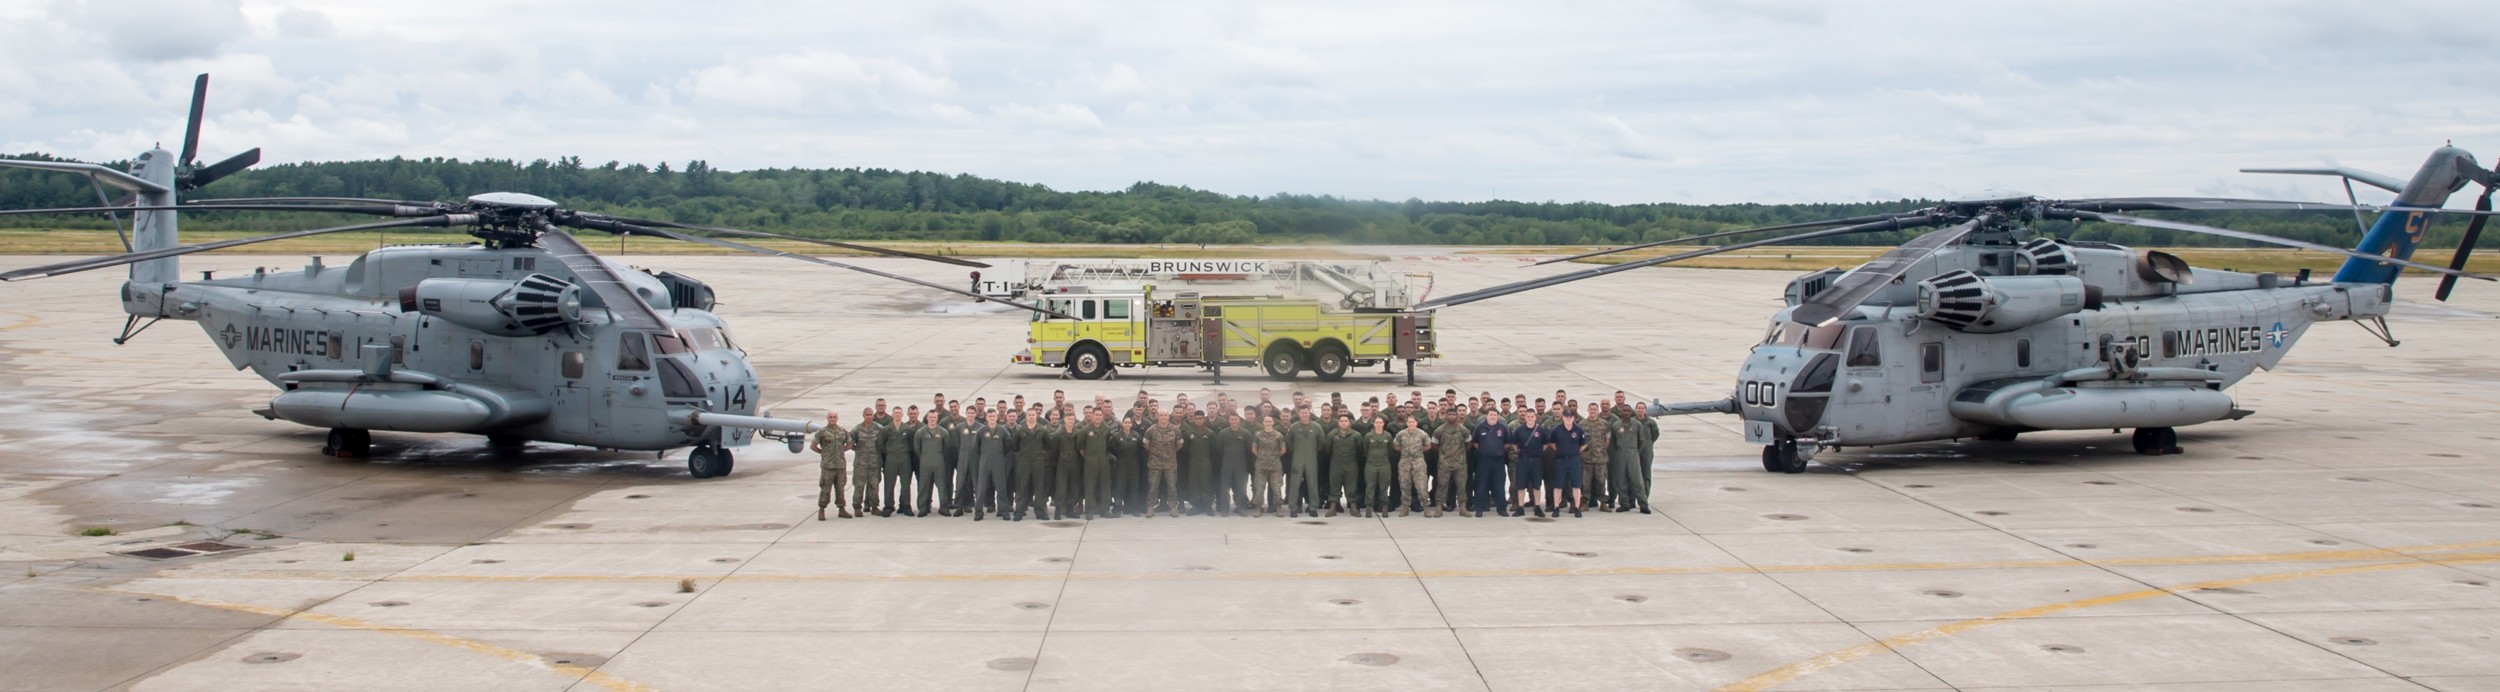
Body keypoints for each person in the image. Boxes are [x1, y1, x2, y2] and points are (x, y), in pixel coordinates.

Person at [809, 411, 853, 520]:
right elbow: (813, 446)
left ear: (837, 418)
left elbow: (850, 443)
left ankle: (841, 509)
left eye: (834, 417)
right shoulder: (822, 432)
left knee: (840, 488)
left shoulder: (842, 431)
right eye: (830, 417)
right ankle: (822, 509)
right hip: (828, 466)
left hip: (840, 466)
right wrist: (823, 453)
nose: (832, 419)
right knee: (825, 489)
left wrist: (842, 451)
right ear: (827, 418)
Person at [1285, 408, 1325, 517]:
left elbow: (1321, 442)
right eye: (1302, 413)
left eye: (1306, 412)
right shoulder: (1294, 427)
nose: (1304, 414)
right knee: (1294, 483)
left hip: (1311, 459)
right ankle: (1293, 507)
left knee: (1312, 483)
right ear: (1299, 414)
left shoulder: (1316, 427)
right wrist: (1296, 450)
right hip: (1297, 459)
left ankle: (1313, 507)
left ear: (1309, 413)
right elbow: (1288, 441)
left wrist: (1313, 451)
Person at [1508, 409, 1548, 517]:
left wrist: (1537, 452)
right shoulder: (1519, 430)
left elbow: (1545, 444)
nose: (1530, 418)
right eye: (1528, 417)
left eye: (1532, 416)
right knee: (1520, 485)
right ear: (1525, 418)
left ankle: (1537, 507)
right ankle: (1520, 507)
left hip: (1536, 460)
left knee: (1536, 485)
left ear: (1535, 417)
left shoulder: (1540, 430)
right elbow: (1514, 444)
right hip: (1523, 460)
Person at [1469, 409, 1509, 517]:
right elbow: (1475, 443)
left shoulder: (1503, 428)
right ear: (1486, 416)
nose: (1493, 416)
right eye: (1491, 415)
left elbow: (1507, 443)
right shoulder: (1480, 427)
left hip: (1498, 461)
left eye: (1495, 415)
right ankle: (1479, 509)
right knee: (1481, 485)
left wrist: (1497, 451)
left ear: (1498, 416)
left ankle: (1502, 509)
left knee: (1499, 485)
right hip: (1483, 461)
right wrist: (1484, 451)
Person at [1144, 409, 1183, 518]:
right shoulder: (1151, 430)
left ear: (1168, 417)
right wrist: (1155, 452)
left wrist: (1170, 453)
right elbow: (1146, 444)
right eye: (1161, 415)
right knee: (1153, 486)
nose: (1163, 417)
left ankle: (1173, 507)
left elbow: (1180, 444)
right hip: (1154, 463)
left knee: (1171, 485)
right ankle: (1150, 507)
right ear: (1158, 416)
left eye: (1165, 415)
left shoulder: (1175, 430)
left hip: (1170, 463)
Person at [1393, 415, 1435, 517]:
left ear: (1416, 423)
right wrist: (1403, 452)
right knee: (1405, 485)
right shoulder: (1401, 434)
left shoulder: (1422, 434)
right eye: (1409, 422)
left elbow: (1428, 445)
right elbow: (1395, 445)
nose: (1411, 424)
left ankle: (1426, 507)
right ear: (1407, 423)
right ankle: (1405, 507)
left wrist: (1420, 451)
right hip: (1405, 462)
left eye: (1413, 422)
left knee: (1421, 486)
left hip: (1418, 462)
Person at [1431, 407, 1471, 514]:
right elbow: (1433, 444)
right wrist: (1443, 452)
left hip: (1460, 463)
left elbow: (1469, 443)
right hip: (1445, 462)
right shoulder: (1439, 430)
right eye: (1450, 415)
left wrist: (1460, 453)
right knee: (1442, 484)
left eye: (1454, 415)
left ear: (1456, 416)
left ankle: (1463, 507)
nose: (1452, 416)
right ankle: (1439, 507)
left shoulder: (1463, 430)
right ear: (1446, 416)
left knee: (1462, 485)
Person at [880, 405, 917, 517]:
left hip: (904, 458)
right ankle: (888, 506)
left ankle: (905, 506)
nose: (897, 414)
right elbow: (880, 444)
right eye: (895, 413)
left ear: (902, 414)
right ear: (892, 414)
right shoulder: (886, 429)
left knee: (906, 484)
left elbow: (912, 445)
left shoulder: (908, 429)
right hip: (891, 459)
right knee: (889, 484)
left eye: (899, 413)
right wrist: (887, 453)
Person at [1325, 414, 1364, 517]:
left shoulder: (1356, 435)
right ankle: (1333, 508)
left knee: (1352, 486)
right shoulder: (1332, 435)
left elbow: (1360, 450)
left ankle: (1353, 507)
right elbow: (1327, 450)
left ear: (1349, 423)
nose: (1343, 423)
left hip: (1351, 465)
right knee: (1334, 486)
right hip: (1336, 465)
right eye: (1341, 421)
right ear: (1338, 423)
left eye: (1346, 421)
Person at [1553, 409, 1589, 518]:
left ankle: (1577, 508)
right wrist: (1560, 451)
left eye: (1570, 416)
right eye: (1566, 416)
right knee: (1558, 485)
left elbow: (1584, 444)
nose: (1568, 418)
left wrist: (1575, 452)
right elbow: (1552, 443)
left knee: (1576, 485)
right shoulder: (1557, 430)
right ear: (1563, 417)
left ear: (1573, 417)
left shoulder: (1578, 430)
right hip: (1561, 460)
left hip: (1574, 460)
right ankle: (1556, 507)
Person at [849, 407, 885, 517]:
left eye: (870, 414)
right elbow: (850, 443)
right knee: (859, 486)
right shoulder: (857, 429)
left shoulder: (879, 428)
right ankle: (857, 507)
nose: (869, 417)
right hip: (861, 464)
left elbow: (883, 442)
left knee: (874, 486)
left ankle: (874, 506)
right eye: (867, 415)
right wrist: (859, 451)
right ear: (863, 415)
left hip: (874, 463)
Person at [1215, 412, 1253, 516]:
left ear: (1239, 420)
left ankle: (1241, 508)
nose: (1234, 421)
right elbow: (1219, 449)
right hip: (1226, 465)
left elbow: (1249, 450)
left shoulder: (1246, 433)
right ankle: (1224, 509)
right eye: (1232, 420)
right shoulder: (1223, 433)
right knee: (1224, 488)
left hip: (1241, 465)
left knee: (1241, 488)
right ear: (1229, 421)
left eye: (1235, 419)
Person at [913, 411, 949, 517]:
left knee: (942, 486)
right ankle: (923, 508)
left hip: (939, 462)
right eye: (931, 417)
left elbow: (946, 447)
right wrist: (924, 456)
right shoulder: (920, 432)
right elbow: (917, 448)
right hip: (925, 462)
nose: (933, 419)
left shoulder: (943, 432)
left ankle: (944, 507)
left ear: (937, 418)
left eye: (934, 417)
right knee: (923, 486)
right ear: (927, 418)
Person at [1082, 409, 1115, 520]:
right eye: (1096, 414)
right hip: (1090, 462)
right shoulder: (1085, 430)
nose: (1098, 417)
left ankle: (1105, 510)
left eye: (1100, 415)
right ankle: (1090, 510)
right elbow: (1080, 447)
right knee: (1090, 486)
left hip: (1104, 461)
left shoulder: (1106, 429)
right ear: (1092, 416)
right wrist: (1088, 457)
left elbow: (1109, 444)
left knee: (1105, 486)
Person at [1250, 416, 1287, 517]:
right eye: (1266, 421)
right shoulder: (1258, 435)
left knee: (1276, 487)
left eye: (1270, 421)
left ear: (1273, 423)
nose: (1268, 423)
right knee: (1259, 487)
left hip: (1275, 466)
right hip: (1261, 466)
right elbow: (1254, 449)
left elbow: (1283, 450)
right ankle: (1258, 508)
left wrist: (1273, 457)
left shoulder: (1278, 435)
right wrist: (1262, 456)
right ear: (1263, 422)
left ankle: (1278, 508)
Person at [1182, 411, 1216, 515]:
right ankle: (1196, 506)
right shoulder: (1188, 433)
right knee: (1194, 484)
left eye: (1200, 418)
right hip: (1193, 463)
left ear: (1204, 419)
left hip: (1206, 462)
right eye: (1196, 419)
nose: (1198, 421)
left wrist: (1213, 465)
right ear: (1193, 419)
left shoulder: (1210, 433)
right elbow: (1185, 450)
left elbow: (1214, 450)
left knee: (1206, 483)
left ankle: (1207, 505)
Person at [1581, 402, 1613, 511]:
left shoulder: (1604, 424)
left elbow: (1608, 438)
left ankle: (1603, 503)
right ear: (1588, 410)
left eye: (1595, 409)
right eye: (1591, 409)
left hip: (1600, 458)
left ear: (1597, 410)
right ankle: (1585, 502)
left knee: (1601, 481)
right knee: (1585, 482)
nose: (1593, 411)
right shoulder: (1582, 424)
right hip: (1586, 458)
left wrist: (1603, 448)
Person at [1362, 415, 1396, 516]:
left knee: (1384, 486)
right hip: (1371, 464)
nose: (1379, 424)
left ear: (1383, 424)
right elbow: (1365, 450)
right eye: (1377, 423)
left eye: (1380, 423)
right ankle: (1368, 507)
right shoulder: (1369, 436)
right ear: (1374, 424)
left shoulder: (1388, 436)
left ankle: (1384, 506)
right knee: (1370, 486)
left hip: (1384, 464)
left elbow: (1390, 450)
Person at [1112, 415, 1145, 517]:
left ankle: (1134, 508)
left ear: (1131, 424)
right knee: (1120, 487)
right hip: (1121, 463)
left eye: (1129, 423)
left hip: (1134, 464)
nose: (1127, 424)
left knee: (1134, 486)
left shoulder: (1136, 435)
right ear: (1122, 424)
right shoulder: (1117, 436)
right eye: (1125, 422)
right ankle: (1117, 508)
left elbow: (1141, 449)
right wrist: (1119, 454)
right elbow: (1112, 448)